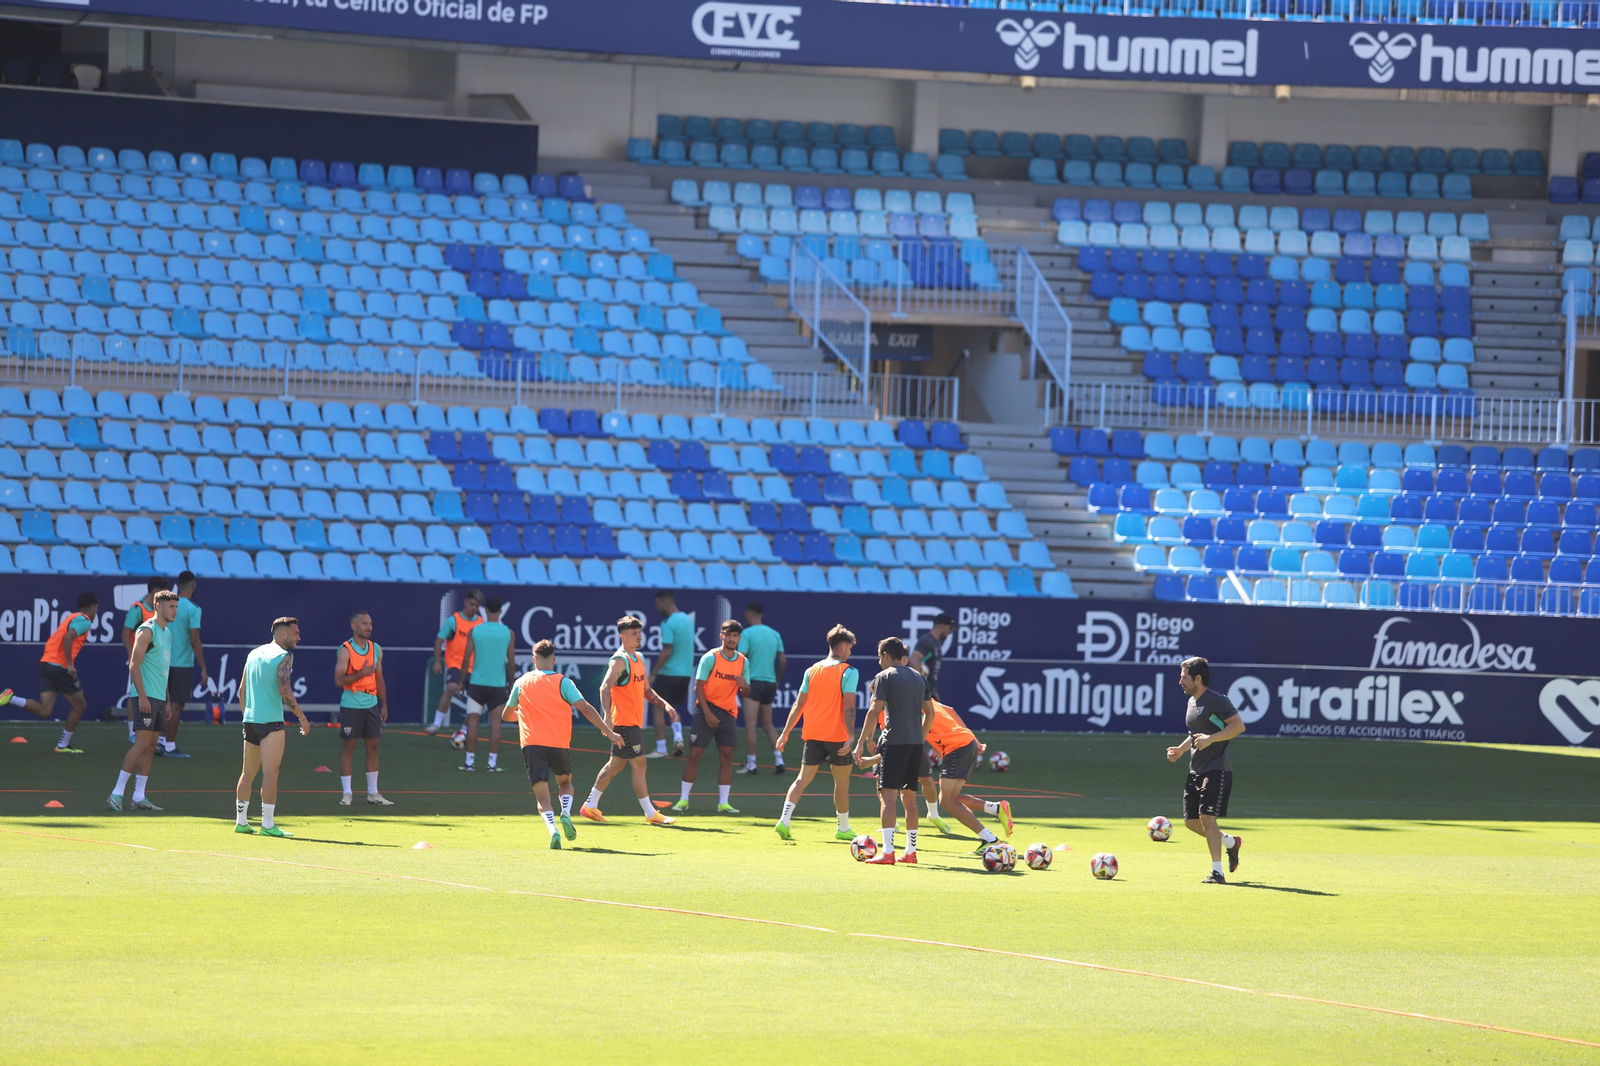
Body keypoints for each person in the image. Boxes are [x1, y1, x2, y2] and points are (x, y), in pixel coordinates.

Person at [504, 639, 622, 849]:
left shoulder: (521, 682)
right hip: (558, 743)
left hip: (531, 744)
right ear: (554, 659)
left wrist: (523, 715)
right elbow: (586, 708)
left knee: (542, 796)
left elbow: (506, 715)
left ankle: (553, 830)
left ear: (534, 660)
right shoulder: (563, 682)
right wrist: (609, 732)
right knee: (565, 784)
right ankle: (566, 813)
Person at [580, 616, 679, 827]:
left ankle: (590, 805)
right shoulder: (619, 660)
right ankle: (650, 812)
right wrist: (607, 717)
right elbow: (604, 687)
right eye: (633, 634)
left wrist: (665, 704)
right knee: (639, 763)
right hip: (623, 723)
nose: (638, 637)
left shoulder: (638, 658)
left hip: (632, 722)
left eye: (639, 633)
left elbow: (647, 691)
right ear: (622, 636)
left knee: (615, 765)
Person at [853, 638, 936, 865]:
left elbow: (873, 711)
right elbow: (930, 713)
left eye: (880, 656)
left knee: (887, 797)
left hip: (894, 742)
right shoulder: (919, 677)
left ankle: (888, 852)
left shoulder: (885, 676)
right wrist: (921, 736)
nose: (879, 661)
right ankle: (910, 852)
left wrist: (860, 743)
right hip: (915, 745)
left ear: (887, 655)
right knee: (909, 798)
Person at [772, 625, 859, 842]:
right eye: (849, 648)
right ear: (843, 645)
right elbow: (849, 706)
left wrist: (784, 733)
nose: (850, 652)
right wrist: (850, 735)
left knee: (802, 779)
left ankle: (784, 821)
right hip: (837, 737)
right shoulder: (849, 671)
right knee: (842, 783)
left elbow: (798, 705)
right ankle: (843, 827)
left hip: (812, 735)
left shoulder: (811, 671)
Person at [1166, 656, 1246, 884]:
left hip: (1217, 768)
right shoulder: (1191, 702)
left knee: (1207, 818)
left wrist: (1211, 739)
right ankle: (1231, 843)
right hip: (1196, 768)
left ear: (1197, 679)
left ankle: (1217, 872)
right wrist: (1181, 750)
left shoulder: (1217, 701)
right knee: (1191, 822)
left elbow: (1238, 726)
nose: (1180, 681)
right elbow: (1195, 734)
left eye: (1183, 677)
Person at [235, 617, 311, 837]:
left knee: (247, 773)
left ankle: (241, 822)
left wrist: (247, 715)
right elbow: (285, 690)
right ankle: (267, 825)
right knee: (271, 774)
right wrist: (302, 718)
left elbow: (242, 690)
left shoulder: (254, 654)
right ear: (283, 634)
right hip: (271, 723)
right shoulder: (284, 656)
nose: (299, 637)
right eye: (295, 633)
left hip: (250, 720)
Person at [0, 591, 99, 753]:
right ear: (91, 607)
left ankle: (11, 698)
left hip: (47, 664)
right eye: (96, 608)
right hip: (60, 666)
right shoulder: (85, 621)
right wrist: (69, 665)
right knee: (80, 705)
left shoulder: (71, 617)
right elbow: (68, 638)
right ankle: (62, 745)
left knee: (45, 710)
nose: (96, 612)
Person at [107, 590, 178, 812]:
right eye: (171, 606)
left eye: (176, 607)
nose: (174, 610)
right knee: (141, 744)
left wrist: (166, 700)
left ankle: (139, 796)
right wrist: (143, 697)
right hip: (145, 698)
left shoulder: (166, 633)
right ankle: (116, 793)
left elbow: (163, 670)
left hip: (158, 699)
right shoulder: (147, 631)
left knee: (150, 747)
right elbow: (133, 665)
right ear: (158, 606)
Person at [671, 619, 750, 814]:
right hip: (706, 710)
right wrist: (706, 713)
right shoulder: (711, 657)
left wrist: (744, 685)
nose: (731, 639)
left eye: (735, 636)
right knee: (694, 755)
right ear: (721, 636)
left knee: (727, 757)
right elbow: (698, 686)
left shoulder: (743, 661)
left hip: (728, 714)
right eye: (728, 635)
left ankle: (723, 803)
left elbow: (747, 692)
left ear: (739, 638)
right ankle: (683, 800)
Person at [922, 699, 1013, 852]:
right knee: (952, 800)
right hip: (965, 743)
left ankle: (990, 839)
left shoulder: (910, 704)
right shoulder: (925, 698)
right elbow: (950, 710)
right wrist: (974, 740)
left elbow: (918, 730)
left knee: (947, 801)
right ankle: (995, 809)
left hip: (956, 748)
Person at [334, 610, 391, 807]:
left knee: (374, 747)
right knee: (349, 747)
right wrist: (361, 673)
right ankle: (347, 793)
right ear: (354, 626)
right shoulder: (345, 649)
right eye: (364, 623)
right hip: (352, 704)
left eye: (370, 623)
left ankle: (373, 793)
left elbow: (379, 678)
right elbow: (339, 680)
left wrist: (384, 704)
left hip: (371, 704)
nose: (369, 627)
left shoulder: (376, 649)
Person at [458, 597, 515, 773]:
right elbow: (511, 663)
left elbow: (466, 658)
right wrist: (511, 684)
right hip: (497, 685)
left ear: (485, 610)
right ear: (500, 611)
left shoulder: (475, 631)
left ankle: (469, 762)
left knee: (473, 722)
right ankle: (492, 764)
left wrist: (461, 681)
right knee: (496, 723)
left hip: (476, 683)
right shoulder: (508, 633)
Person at [158, 570, 205, 759]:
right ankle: (169, 746)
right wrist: (204, 668)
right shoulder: (193, 609)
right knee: (176, 706)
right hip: (181, 664)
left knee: (162, 704)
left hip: (162, 661)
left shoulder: (167, 605)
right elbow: (195, 640)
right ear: (193, 585)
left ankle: (160, 743)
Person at [736, 601, 786, 775]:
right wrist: (777, 679)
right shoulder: (774, 634)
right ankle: (779, 761)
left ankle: (751, 764)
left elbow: (741, 658)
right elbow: (783, 661)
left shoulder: (747, 634)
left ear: (749, 615)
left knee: (750, 725)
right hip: (770, 682)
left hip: (753, 683)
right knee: (768, 724)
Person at [426, 589, 483, 737]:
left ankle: (463, 732)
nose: (474, 608)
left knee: (478, 699)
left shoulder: (480, 622)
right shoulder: (453, 620)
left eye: (477, 606)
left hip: (474, 666)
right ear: (465, 602)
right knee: (451, 687)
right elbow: (439, 641)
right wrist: (438, 662)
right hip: (456, 664)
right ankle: (436, 724)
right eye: (472, 604)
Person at [121, 577, 170, 742]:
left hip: (154, 661)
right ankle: (132, 731)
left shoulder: (157, 612)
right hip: (140, 660)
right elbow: (125, 633)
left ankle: (152, 734)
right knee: (135, 693)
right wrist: (132, 656)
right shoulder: (138, 608)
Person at [647, 591, 692, 758]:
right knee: (672, 708)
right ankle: (678, 738)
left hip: (669, 673)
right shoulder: (688, 620)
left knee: (658, 709)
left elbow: (667, 650)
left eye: (657, 605)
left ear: (663, 603)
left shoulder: (668, 623)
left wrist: (653, 673)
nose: (657, 608)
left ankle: (661, 749)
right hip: (685, 674)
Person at [910, 613, 953, 700]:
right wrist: (921, 686)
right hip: (921, 694)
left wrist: (933, 691)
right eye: (950, 628)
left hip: (928, 693)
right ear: (942, 626)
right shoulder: (927, 641)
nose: (951, 632)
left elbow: (930, 668)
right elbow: (914, 659)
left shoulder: (935, 642)